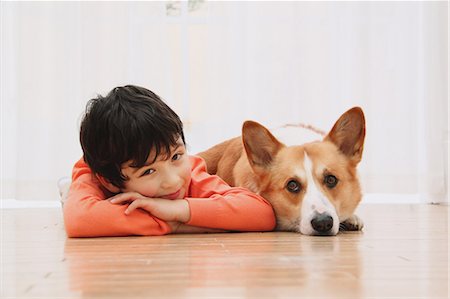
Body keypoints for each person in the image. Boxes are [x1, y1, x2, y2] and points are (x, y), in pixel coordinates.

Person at [62, 85, 276, 237]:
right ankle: (67, 191)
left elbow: (262, 213)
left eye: (176, 156)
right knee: (72, 196)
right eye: (148, 172)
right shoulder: (95, 176)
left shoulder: (190, 172)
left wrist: (179, 210)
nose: (173, 181)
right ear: (110, 182)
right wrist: (174, 225)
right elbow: (79, 220)